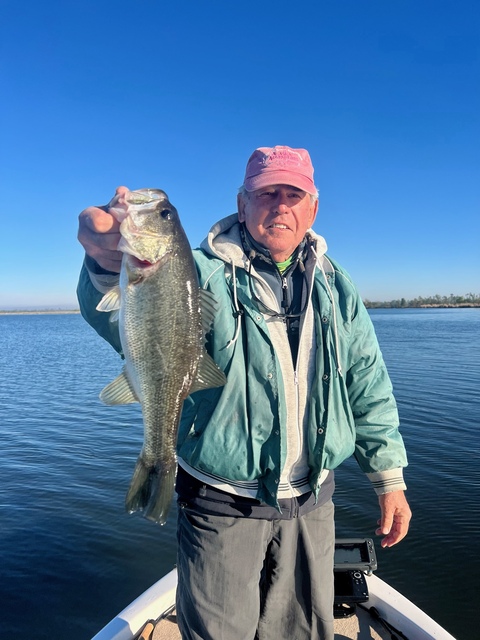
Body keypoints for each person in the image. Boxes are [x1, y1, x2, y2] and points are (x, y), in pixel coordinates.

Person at [77, 145, 412, 640]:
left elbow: (367, 382)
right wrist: (103, 261)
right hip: (221, 504)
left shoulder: (337, 287)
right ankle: (158, 459)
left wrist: (389, 478)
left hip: (313, 503)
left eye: (292, 194)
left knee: (301, 631)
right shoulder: (196, 270)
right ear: (242, 204)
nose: (280, 205)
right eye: (265, 193)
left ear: (312, 208)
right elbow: (112, 312)